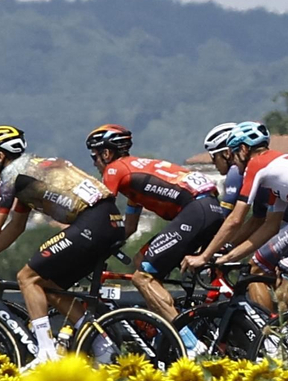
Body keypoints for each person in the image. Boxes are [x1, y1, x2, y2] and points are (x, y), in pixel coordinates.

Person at [0, 126, 123, 362]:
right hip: (110, 222)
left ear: (0, 156)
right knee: (48, 286)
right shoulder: (29, 175)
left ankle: (46, 353)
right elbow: (14, 228)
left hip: (92, 222)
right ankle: (102, 345)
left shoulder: (13, 175)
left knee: (27, 277)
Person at [187, 122, 288, 310]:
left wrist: (204, 256)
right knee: (284, 276)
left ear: (243, 149)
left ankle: (274, 332)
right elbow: (269, 226)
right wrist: (228, 256)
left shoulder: (257, 165)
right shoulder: (276, 169)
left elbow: (235, 219)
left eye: (233, 154)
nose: (233, 162)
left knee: (257, 268)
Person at [84, 124, 226, 321]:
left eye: (94, 156)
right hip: (210, 209)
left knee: (142, 278)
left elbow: (100, 212)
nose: (94, 163)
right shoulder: (134, 174)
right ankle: (166, 324)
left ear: (106, 153)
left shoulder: (115, 169)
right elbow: (130, 228)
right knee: (140, 261)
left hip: (196, 210)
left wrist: (84, 247)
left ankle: (185, 342)